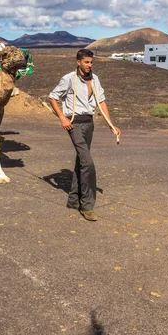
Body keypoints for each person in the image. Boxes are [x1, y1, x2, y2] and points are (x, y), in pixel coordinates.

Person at [48, 49, 121, 221]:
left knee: (81, 160)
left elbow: (101, 101)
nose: (90, 65)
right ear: (78, 62)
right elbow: (52, 97)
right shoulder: (68, 79)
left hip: (89, 123)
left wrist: (111, 125)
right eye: (86, 62)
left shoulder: (95, 79)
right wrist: (62, 118)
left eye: (91, 62)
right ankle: (87, 206)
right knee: (87, 163)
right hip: (74, 123)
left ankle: (73, 199)